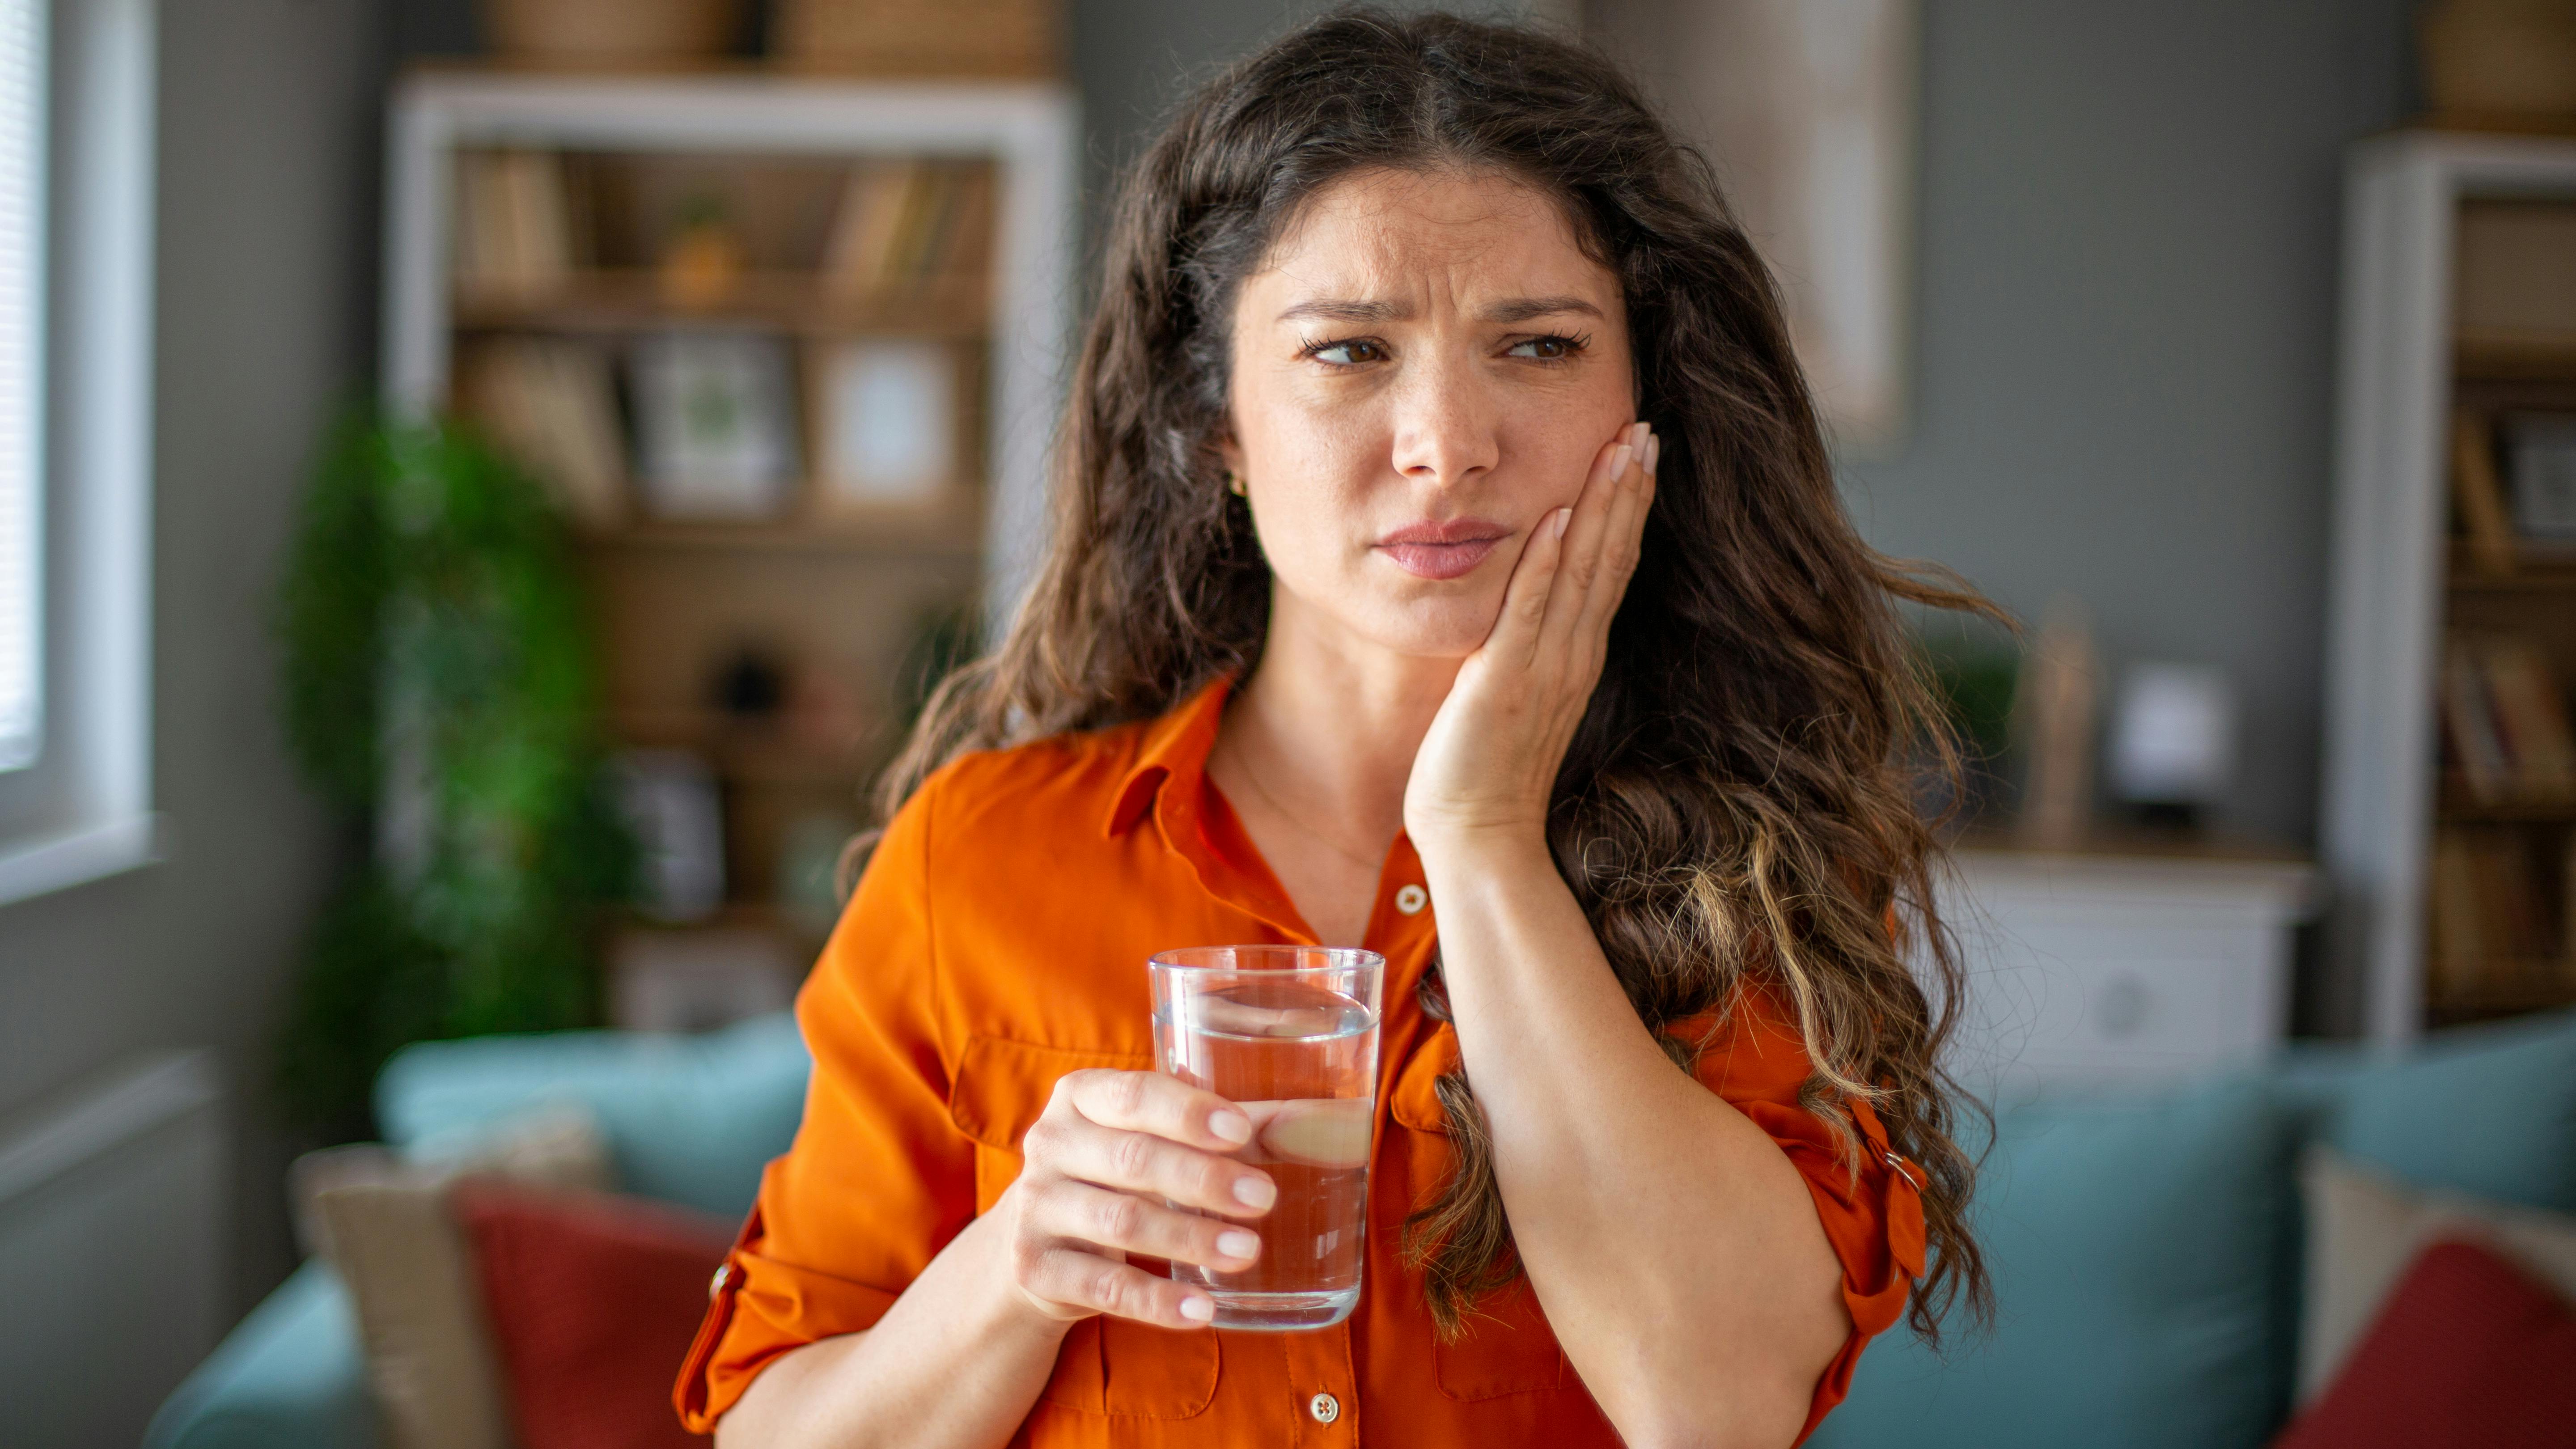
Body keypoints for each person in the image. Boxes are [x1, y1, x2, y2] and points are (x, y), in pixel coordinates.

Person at [677, 12, 1991, 1448]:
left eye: (1539, 345)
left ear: (1644, 407)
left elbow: (1720, 1405)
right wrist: (1015, 1271)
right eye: (1351, 351)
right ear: (1220, 426)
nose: (1445, 440)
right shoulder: (979, 858)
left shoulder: (1747, 883)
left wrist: (1484, 844)